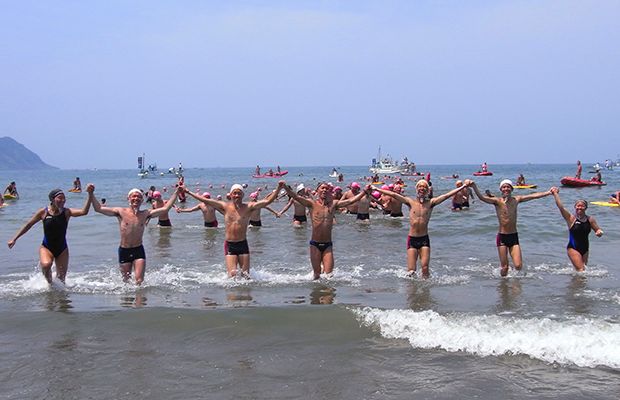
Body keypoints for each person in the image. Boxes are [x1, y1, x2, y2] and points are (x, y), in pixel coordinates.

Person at [184, 182, 286, 278]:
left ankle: (245, 295)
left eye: (239, 193)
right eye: (235, 193)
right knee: (232, 276)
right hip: (230, 244)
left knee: (246, 276)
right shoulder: (225, 206)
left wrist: (278, 188)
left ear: (243, 195)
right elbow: (205, 200)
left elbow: (267, 201)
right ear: (231, 195)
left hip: (242, 244)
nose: (237, 195)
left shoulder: (249, 207)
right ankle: (233, 296)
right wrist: (188, 192)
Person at [374, 179, 471, 278]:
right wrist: (376, 188)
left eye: (424, 187)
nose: (422, 188)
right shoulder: (410, 202)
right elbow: (394, 195)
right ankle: (411, 291)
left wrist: (463, 187)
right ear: (416, 189)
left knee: (425, 268)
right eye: (420, 186)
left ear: (427, 191)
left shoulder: (431, 203)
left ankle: (426, 291)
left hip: (424, 239)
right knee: (411, 271)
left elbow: (446, 195)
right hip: (412, 239)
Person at [89, 185, 181, 284]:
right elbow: (98, 208)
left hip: (138, 250)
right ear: (128, 198)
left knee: (139, 281)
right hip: (124, 250)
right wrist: (91, 193)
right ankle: (127, 299)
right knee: (126, 283)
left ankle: (140, 299)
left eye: (139, 197)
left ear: (142, 200)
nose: (136, 198)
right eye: (133, 196)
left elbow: (165, 209)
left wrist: (176, 192)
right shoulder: (120, 212)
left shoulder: (145, 214)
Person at [283, 181, 371, 279]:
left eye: (327, 189)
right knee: (317, 276)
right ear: (317, 191)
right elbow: (296, 197)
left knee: (329, 276)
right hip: (315, 244)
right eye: (322, 188)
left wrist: (364, 192)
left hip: (327, 245)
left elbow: (350, 201)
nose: (325, 190)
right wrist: (285, 187)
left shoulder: (333, 204)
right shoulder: (312, 204)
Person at [7, 187, 92, 284]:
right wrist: (14, 238)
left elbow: (84, 212)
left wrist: (90, 194)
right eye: (60, 198)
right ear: (52, 199)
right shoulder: (43, 212)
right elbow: (28, 225)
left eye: (64, 198)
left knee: (61, 280)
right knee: (46, 265)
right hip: (46, 247)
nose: (63, 200)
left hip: (62, 249)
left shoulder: (67, 212)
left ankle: (58, 295)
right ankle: (50, 285)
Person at [471, 179, 555, 277]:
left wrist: (548, 192)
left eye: (508, 187)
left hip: (513, 236)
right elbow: (481, 198)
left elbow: (532, 196)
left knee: (518, 266)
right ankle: (503, 287)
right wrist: (474, 186)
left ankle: (513, 283)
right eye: (504, 187)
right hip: (502, 237)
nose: (506, 189)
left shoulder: (516, 200)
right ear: (501, 189)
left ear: (511, 189)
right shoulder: (497, 201)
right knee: (504, 267)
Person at [551, 188, 603, 271]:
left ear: (586, 208)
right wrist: (555, 194)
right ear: (575, 207)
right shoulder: (571, 218)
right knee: (581, 270)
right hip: (573, 247)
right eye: (578, 205)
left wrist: (599, 232)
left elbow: (598, 230)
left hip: (585, 249)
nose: (580, 207)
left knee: (583, 271)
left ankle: (576, 283)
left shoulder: (590, 219)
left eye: (582, 206)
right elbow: (561, 207)